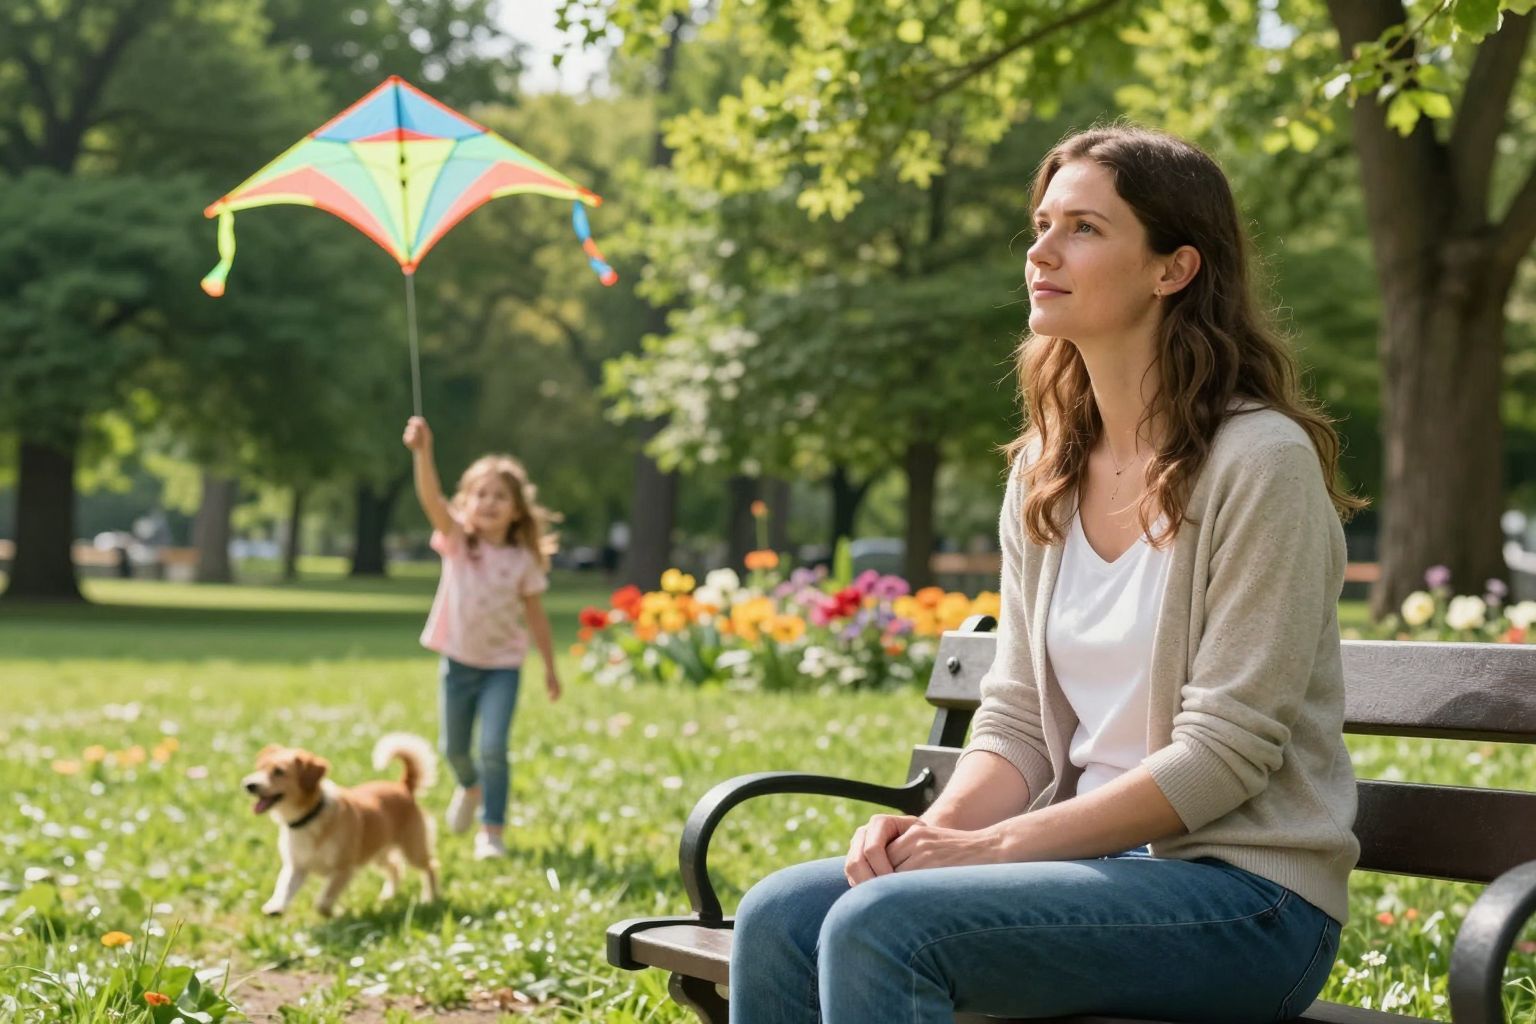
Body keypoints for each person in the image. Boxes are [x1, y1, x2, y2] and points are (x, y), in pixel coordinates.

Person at [730, 124, 1369, 1024]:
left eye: (1083, 228)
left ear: (1173, 269)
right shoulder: (1047, 469)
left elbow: (1223, 756)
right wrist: (938, 833)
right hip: (1091, 872)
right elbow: (1020, 715)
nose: (1041, 252)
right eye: (1041, 224)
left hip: (1246, 902)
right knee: (780, 917)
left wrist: (996, 849)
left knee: (884, 926)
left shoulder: (1259, 461)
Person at [403, 416, 563, 860]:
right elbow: (430, 498)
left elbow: (537, 617)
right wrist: (423, 452)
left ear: (517, 509)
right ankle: (469, 788)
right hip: (458, 662)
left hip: (502, 668)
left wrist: (550, 668)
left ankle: (491, 831)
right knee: (453, 748)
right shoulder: (458, 541)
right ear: (466, 502)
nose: (489, 502)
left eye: (500, 496)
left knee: (492, 747)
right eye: (481, 494)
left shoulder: (523, 559)